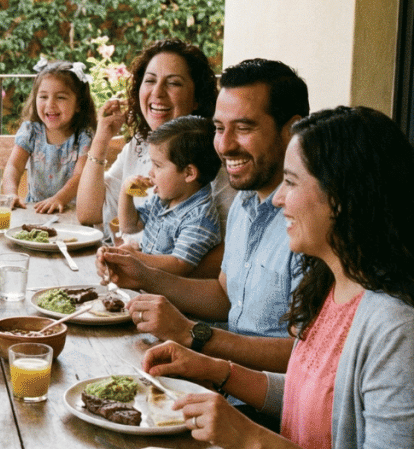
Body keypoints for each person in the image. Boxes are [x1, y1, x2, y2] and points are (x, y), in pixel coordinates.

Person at [143, 107, 414, 449]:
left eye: (291, 183)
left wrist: (251, 437)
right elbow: (313, 395)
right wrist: (215, 369)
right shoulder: (333, 285)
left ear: (342, 196)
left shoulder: (395, 328)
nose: (276, 200)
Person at [105, 58, 309, 374]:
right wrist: (144, 275)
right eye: (218, 128)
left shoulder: (311, 222)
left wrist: (194, 334)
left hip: (264, 403)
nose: (224, 145)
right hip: (219, 377)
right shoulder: (245, 199)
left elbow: (307, 357)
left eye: (243, 128)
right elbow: (225, 296)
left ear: (292, 130)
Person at [76, 38, 235, 244]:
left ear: (197, 98)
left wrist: (142, 265)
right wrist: (101, 138)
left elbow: (225, 252)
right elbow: (89, 213)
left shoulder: (212, 156)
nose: (157, 92)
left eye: (173, 83)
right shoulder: (141, 145)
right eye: (150, 80)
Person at [116, 115, 222, 276]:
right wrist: (126, 192)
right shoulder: (164, 199)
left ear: (189, 173)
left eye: (157, 165)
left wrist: (136, 257)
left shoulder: (200, 217)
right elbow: (130, 226)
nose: (150, 172)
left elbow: (179, 264)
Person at [0, 59, 96, 213]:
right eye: (43, 97)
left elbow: (80, 176)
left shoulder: (83, 136)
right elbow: (14, 167)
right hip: (35, 210)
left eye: (61, 97)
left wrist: (58, 199)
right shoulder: (31, 132)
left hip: (72, 211)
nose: (50, 104)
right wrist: (11, 194)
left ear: (79, 103)